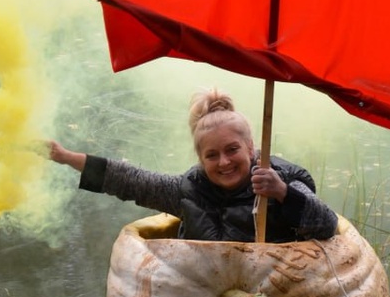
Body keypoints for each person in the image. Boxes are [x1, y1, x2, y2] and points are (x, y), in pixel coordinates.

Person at [47, 87, 338, 243]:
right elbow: (129, 180)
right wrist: (65, 156)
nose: (224, 162)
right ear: (201, 159)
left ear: (250, 148)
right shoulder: (189, 189)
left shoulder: (280, 179)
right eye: (212, 155)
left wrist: (283, 193)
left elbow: (327, 225)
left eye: (232, 150)